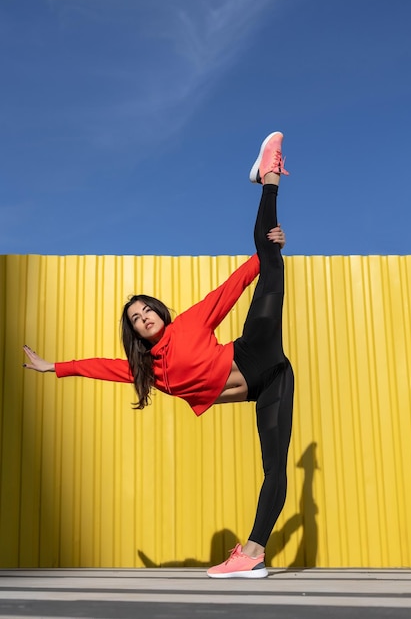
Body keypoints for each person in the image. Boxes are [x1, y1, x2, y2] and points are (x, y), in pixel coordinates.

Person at [23, 131, 294, 579]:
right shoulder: (146, 368)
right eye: (136, 317)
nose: (144, 316)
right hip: (267, 385)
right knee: (275, 468)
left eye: (148, 309)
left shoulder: (189, 322)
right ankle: (252, 555)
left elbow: (228, 292)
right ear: (134, 331)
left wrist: (264, 256)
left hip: (258, 353)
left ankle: (269, 175)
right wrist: (54, 366)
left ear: (161, 313)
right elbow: (101, 367)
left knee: (270, 263)